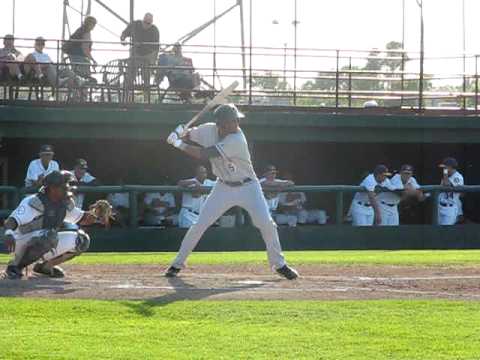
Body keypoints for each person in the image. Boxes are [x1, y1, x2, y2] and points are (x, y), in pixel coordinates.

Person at [165, 103, 298, 280]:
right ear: (222, 124)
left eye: (236, 120)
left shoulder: (237, 139)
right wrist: (182, 131)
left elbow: (206, 154)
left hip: (249, 187)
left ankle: (279, 264)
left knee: (266, 223)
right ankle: (177, 264)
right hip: (223, 187)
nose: (236, 123)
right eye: (232, 121)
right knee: (200, 224)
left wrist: (178, 143)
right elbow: (191, 134)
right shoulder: (207, 130)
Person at [1, 171, 99, 280]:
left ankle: (45, 267)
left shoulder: (63, 203)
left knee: (81, 240)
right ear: (52, 188)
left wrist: (96, 214)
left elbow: (82, 219)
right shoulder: (34, 202)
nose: (67, 188)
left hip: (45, 239)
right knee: (49, 235)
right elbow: (12, 220)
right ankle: (15, 267)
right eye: (64, 185)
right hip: (19, 242)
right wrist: (9, 233)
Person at [120, 13, 160, 87]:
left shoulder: (155, 30)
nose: (146, 25)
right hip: (135, 54)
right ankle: (127, 93)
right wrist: (123, 40)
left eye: (149, 23)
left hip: (148, 55)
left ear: (151, 23)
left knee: (146, 77)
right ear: (143, 20)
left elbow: (156, 48)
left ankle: (146, 94)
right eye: (145, 22)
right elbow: (124, 33)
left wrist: (153, 62)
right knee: (130, 75)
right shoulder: (135, 25)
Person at [63, 16, 97, 80]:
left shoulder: (80, 30)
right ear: (90, 24)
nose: (94, 26)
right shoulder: (86, 33)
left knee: (79, 74)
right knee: (84, 75)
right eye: (94, 24)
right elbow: (85, 49)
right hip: (79, 56)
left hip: (73, 55)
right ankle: (83, 86)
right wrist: (93, 60)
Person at [438, 157, 464, 225]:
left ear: (451, 167)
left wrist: (445, 172)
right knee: (438, 230)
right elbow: (441, 190)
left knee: (445, 231)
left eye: (445, 167)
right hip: (440, 206)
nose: (443, 169)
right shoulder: (446, 176)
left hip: (450, 208)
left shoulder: (458, 177)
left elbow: (447, 185)